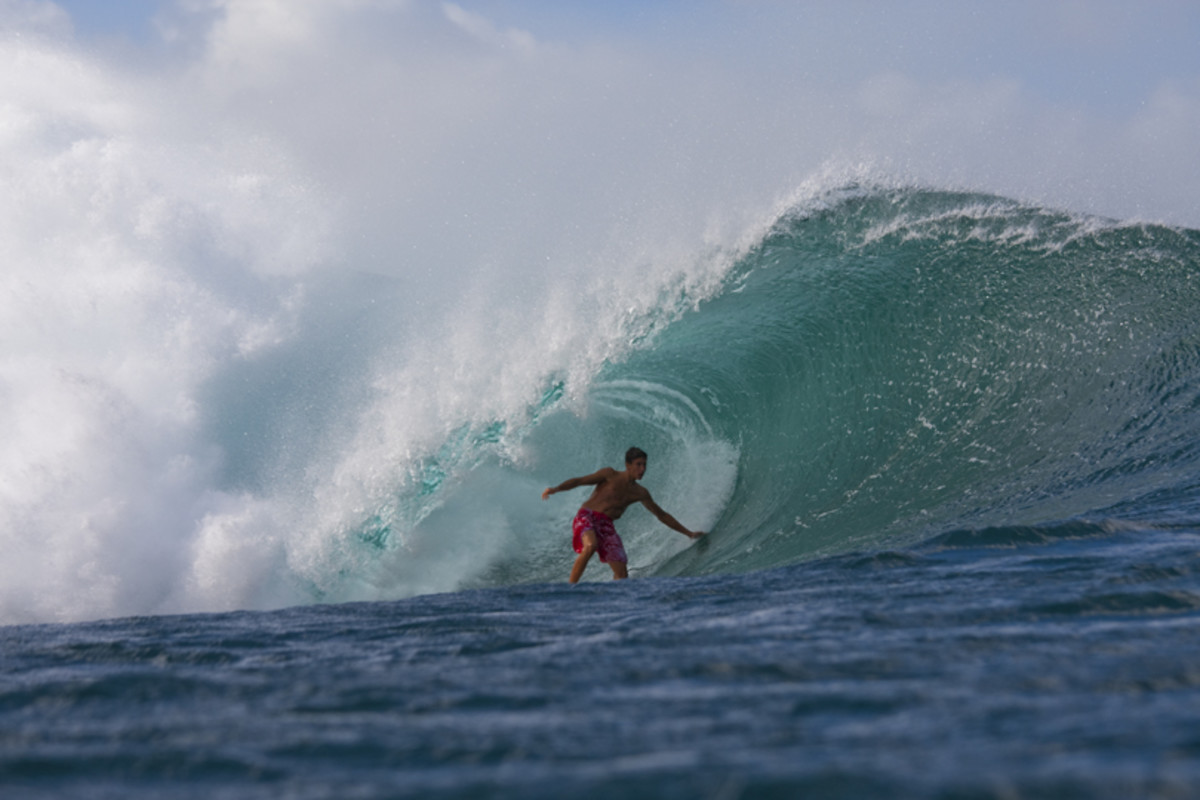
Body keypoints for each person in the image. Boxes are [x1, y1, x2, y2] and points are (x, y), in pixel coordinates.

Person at [542, 447, 705, 582]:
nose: (642, 469)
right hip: (587, 517)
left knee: (622, 576)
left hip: (606, 526)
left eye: (644, 465)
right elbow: (579, 481)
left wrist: (688, 533)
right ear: (628, 465)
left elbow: (661, 515)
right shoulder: (609, 475)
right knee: (591, 545)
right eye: (638, 464)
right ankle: (570, 587)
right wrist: (556, 489)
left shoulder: (640, 492)